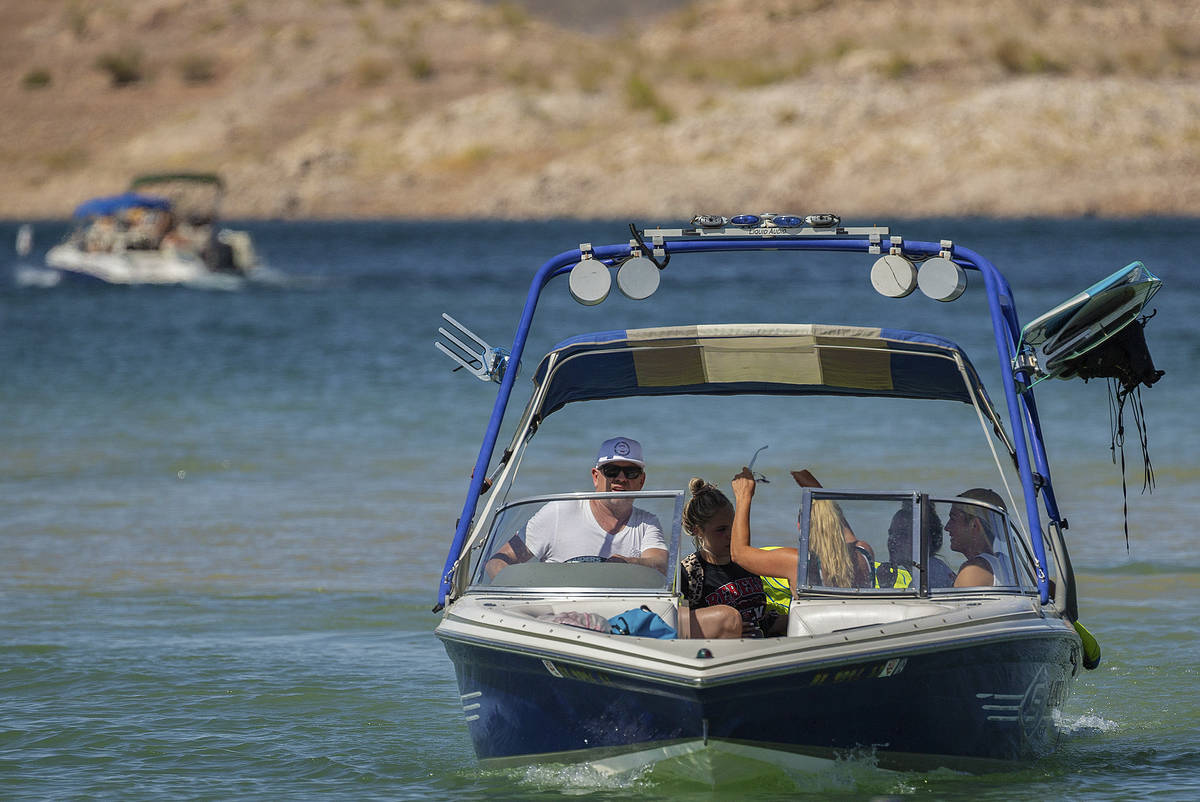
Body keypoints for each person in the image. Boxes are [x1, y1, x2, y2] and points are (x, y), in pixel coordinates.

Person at [484, 437, 669, 578]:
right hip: (552, 618)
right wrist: (521, 594)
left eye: (631, 472)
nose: (621, 478)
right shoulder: (559, 511)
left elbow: (660, 563)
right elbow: (498, 561)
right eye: (611, 471)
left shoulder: (647, 523)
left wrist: (627, 563)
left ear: (642, 480)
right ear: (596, 477)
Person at [728, 467, 874, 591]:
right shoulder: (863, 552)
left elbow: (739, 554)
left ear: (800, 525)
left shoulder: (799, 563)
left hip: (820, 625)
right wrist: (817, 490)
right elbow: (834, 518)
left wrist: (743, 496)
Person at [678, 478, 784, 638]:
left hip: (762, 648)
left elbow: (762, 619)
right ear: (698, 530)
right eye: (721, 530)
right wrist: (728, 628)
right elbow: (678, 626)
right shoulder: (690, 573)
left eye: (734, 526)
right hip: (722, 655)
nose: (730, 535)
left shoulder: (747, 561)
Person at [876, 501, 956, 588]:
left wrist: (885, 587)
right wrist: (887, 585)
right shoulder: (931, 568)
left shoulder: (927, 577)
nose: (892, 540)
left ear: (923, 540)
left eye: (902, 534)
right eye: (891, 533)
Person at [947, 488, 1015, 587]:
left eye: (953, 519)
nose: (947, 527)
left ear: (975, 525)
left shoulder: (974, 570)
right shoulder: (1006, 564)